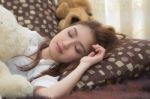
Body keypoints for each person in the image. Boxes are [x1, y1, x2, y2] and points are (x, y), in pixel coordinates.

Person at [6, 21, 124, 98]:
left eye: (77, 49)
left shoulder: (46, 73)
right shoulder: (31, 37)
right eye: (70, 33)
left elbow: (48, 95)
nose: (66, 44)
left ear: (77, 59)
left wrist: (84, 64)